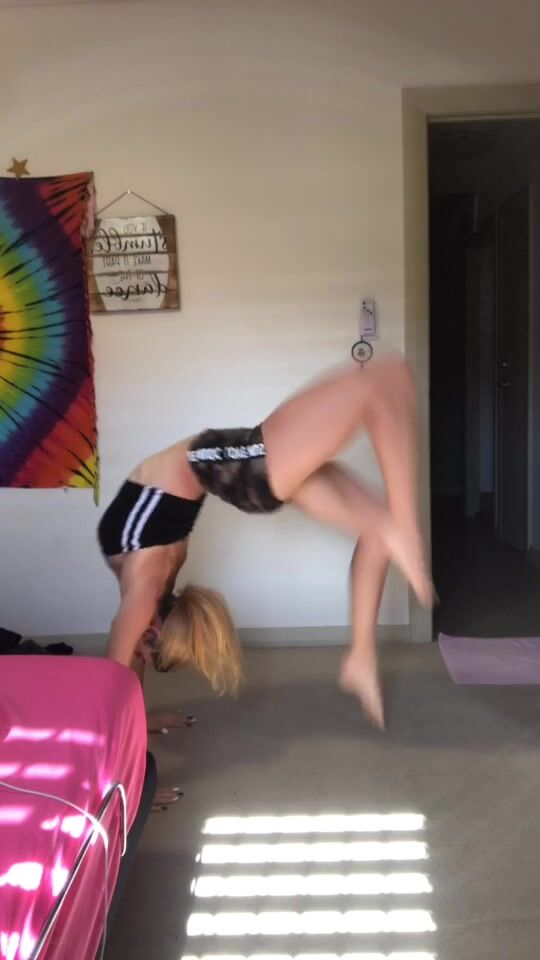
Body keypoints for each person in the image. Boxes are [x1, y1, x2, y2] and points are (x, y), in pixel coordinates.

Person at [98, 354, 433, 746]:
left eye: (142, 646)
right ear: (155, 626)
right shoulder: (146, 585)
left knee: (377, 529)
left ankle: (361, 659)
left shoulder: (143, 590)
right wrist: (129, 731)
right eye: (145, 645)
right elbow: (122, 660)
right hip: (247, 468)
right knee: (385, 375)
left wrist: (133, 721)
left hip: (247, 471)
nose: (137, 646)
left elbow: (117, 666)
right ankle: (406, 529)